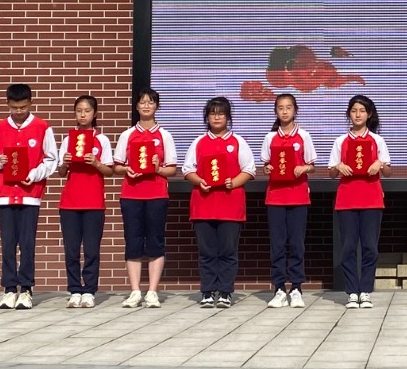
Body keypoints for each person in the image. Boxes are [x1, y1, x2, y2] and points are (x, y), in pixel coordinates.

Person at [0, 83, 58, 310]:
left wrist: (34, 175)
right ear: (8, 104)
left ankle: (26, 288)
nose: (19, 112)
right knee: (7, 243)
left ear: (30, 103)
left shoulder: (42, 127)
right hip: (5, 194)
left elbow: (51, 159)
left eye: (23, 107)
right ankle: (8, 289)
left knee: (27, 243)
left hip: (30, 194)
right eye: (14, 108)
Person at [183, 96, 256, 308]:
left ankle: (225, 291)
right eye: (213, 113)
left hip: (230, 205)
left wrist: (234, 182)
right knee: (207, 252)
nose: (217, 117)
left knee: (227, 251)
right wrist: (199, 181)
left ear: (228, 117)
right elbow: (187, 169)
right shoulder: (198, 142)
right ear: (206, 117)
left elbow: (249, 169)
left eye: (221, 113)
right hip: (203, 204)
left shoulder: (238, 142)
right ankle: (207, 291)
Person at [113, 88, 178, 309]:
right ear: (137, 106)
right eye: (142, 102)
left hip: (157, 194)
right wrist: (127, 169)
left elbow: (172, 169)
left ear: (157, 106)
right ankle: (134, 291)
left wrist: (158, 169)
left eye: (150, 102)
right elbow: (117, 166)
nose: (146, 106)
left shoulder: (165, 135)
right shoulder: (127, 134)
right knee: (133, 241)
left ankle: (152, 291)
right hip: (131, 194)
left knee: (155, 241)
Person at [328, 94, 391, 309]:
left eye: (362, 111)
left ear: (369, 114)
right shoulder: (340, 141)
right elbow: (330, 173)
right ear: (349, 114)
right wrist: (338, 167)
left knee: (370, 247)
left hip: (371, 199)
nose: (358, 115)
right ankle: (351, 292)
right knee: (348, 248)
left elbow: (388, 171)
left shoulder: (377, 140)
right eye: (354, 111)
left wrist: (380, 164)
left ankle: (365, 290)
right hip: (347, 199)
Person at [56, 95, 115, 308]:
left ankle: (89, 290)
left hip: (93, 202)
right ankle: (74, 289)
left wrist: (96, 163)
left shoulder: (102, 140)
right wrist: (65, 163)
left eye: (87, 111)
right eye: (79, 111)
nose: (83, 115)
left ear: (95, 113)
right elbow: (61, 172)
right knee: (71, 250)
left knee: (91, 250)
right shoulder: (68, 139)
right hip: (70, 203)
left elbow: (109, 171)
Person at [260, 92, 317, 308]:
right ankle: (278, 289)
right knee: (277, 244)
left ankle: (296, 288)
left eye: (288, 108)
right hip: (275, 197)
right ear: (276, 111)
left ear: (295, 110)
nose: (284, 112)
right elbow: (266, 165)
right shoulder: (270, 137)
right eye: (280, 108)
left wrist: (304, 168)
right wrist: (268, 168)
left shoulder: (304, 136)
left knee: (296, 244)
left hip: (298, 196)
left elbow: (312, 165)